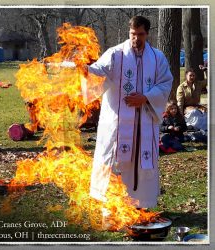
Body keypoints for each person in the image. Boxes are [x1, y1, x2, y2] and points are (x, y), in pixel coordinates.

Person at [84, 16, 173, 209]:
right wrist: (86, 71)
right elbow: (99, 72)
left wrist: (146, 97)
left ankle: (142, 207)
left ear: (147, 34)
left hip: (145, 124)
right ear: (129, 32)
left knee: (142, 164)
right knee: (116, 164)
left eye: (140, 34)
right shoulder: (115, 55)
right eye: (133, 34)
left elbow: (165, 83)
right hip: (118, 124)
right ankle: (114, 209)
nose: (136, 38)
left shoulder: (158, 58)